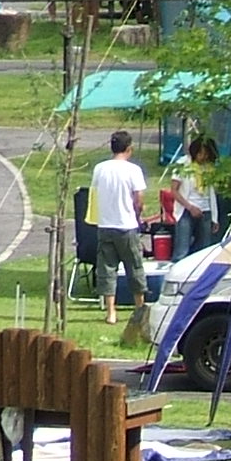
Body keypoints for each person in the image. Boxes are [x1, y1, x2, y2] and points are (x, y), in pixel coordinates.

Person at [89, 130, 152, 346]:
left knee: (107, 268)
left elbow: (95, 193)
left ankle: (111, 311)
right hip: (126, 225)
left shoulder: (100, 169)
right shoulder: (133, 170)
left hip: (105, 224)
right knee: (134, 266)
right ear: (129, 148)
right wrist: (138, 214)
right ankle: (139, 308)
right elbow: (139, 198)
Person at [171, 137, 220, 260]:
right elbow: (174, 190)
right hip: (187, 210)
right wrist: (190, 207)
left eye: (206, 154)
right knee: (182, 249)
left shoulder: (209, 167)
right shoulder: (182, 164)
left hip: (206, 210)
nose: (203, 157)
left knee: (203, 249)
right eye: (201, 153)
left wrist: (214, 217)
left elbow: (211, 193)